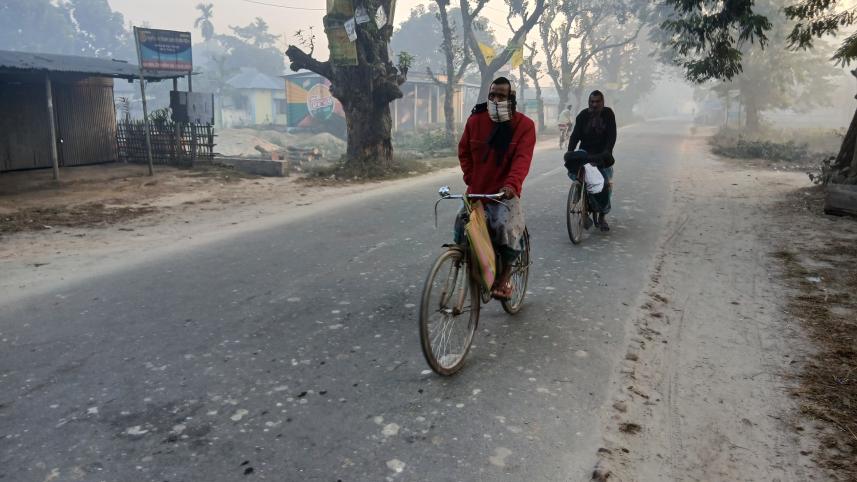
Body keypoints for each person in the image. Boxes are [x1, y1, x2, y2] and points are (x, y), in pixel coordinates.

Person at [456, 77, 536, 300]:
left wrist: (511, 184)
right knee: (461, 227)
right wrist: (471, 177)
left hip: (504, 194)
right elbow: (463, 151)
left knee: (505, 228)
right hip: (477, 191)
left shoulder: (524, 126)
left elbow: (522, 160)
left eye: (501, 95)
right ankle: (475, 266)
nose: (495, 99)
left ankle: (505, 277)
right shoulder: (475, 122)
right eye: (492, 95)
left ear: (511, 99)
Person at [566, 90, 616, 231]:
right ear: (589, 102)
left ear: (602, 102)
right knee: (577, 173)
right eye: (592, 102)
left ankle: (602, 216)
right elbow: (575, 136)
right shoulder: (582, 115)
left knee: (605, 184)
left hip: (602, 155)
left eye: (597, 101)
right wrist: (570, 151)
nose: (594, 104)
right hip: (585, 153)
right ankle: (581, 201)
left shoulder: (608, 114)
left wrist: (605, 153)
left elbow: (612, 137)